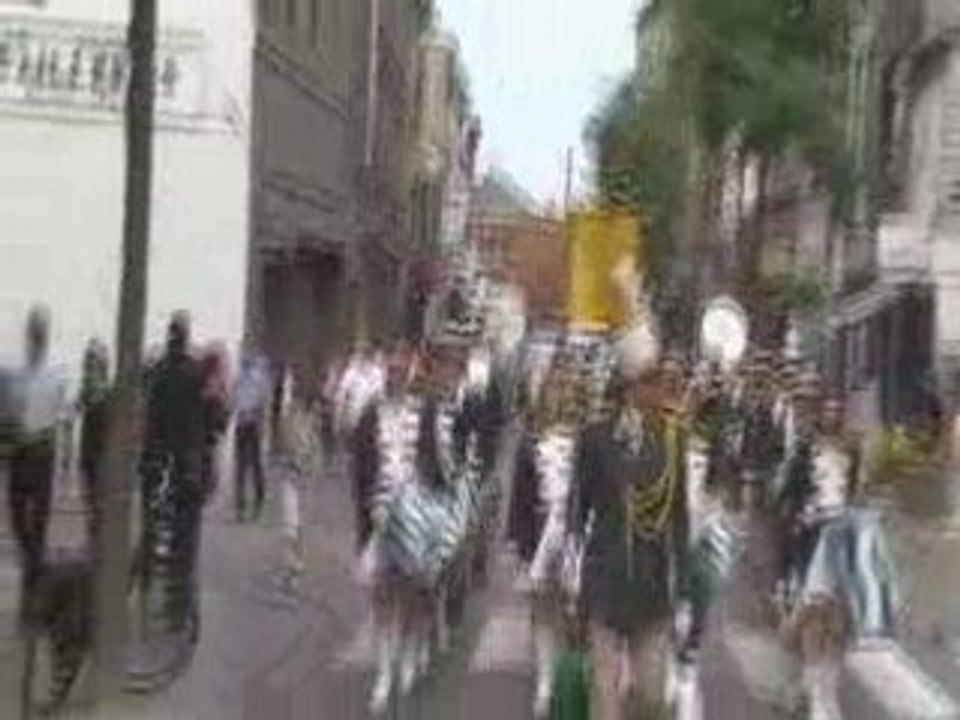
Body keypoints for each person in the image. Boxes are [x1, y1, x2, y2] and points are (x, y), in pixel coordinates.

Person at [570, 331, 691, 719]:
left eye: (661, 382)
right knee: (604, 691)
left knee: (652, 696)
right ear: (630, 388)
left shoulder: (674, 441)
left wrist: (685, 588)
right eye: (651, 382)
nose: (660, 390)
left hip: (651, 583)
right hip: (604, 576)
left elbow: (679, 519)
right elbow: (578, 505)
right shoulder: (595, 438)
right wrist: (570, 563)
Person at [141, 311, 206, 637]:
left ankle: (159, 591)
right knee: (185, 540)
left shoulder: (158, 372)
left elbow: (151, 421)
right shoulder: (195, 373)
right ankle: (177, 606)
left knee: (158, 531)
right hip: (187, 467)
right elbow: (204, 423)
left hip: (162, 464)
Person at [7, 305, 69, 626]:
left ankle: (32, 598)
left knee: (39, 527)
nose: (36, 337)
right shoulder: (13, 373)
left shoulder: (56, 372)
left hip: (43, 453)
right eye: (34, 330)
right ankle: (36, 574)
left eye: (40, 331)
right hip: (21, 454)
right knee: (19, 522)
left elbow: (62, 415)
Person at [78, 338, 110, 549]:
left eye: (92, 361)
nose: (88, 366)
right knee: (94, 504)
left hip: (97, 455)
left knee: (96, 504)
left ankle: (97, 544)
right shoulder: (92, 390)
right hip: (92, 454)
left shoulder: (101, 392)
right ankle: (95, 543)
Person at [231, 349, 270, 522]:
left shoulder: (255, 377)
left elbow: (262, 400)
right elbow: (234, 398)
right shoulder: (242, 378)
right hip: (245, 422)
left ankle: (254, 501)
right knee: (245, 465)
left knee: (252, 465)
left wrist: (261, 420)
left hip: (251, 422)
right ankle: (243, 503)